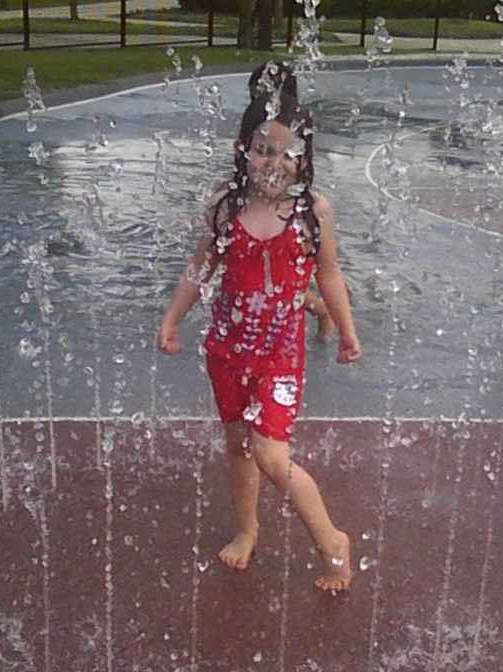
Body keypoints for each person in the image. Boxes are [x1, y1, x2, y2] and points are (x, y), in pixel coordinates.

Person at [157, 92, 362, 592]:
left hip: (279, 356)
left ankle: (332, 540)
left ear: (304, 157)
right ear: (243, 149)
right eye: (263, 149)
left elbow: (330, 275)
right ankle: (247, 530)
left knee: (271, 454)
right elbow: (199, 267)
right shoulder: (225, 205)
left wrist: (347, 329)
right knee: (237, 445)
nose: (274, 162)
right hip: (226, 351)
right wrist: (172, 319)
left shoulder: (314, 212)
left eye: (287, 152)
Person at [247, 61, 337, 341]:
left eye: (261, 93)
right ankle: (327, 304)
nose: (257, 100)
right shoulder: (259, 125)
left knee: (286, 279)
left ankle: (323, 310)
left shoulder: (293, 126)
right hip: (271, 208)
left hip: (289, 209)